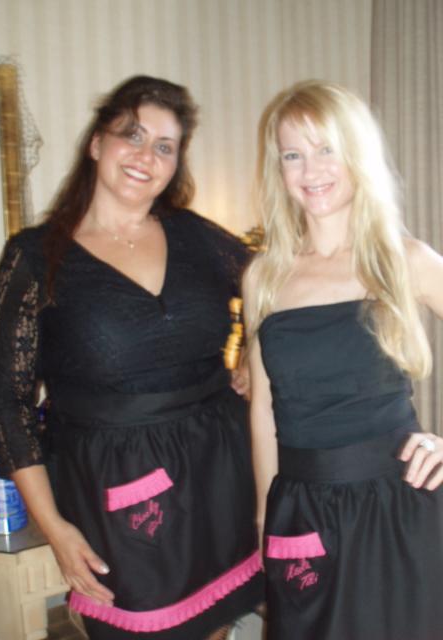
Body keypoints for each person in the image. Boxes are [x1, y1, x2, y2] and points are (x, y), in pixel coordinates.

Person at [0, 75, 263, 640]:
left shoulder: (195, 235)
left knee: (216, 621)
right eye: (131, 135)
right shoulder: (35, 258)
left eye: (164, 146)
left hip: (221, 468)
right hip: (118, 489)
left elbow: (277, 286)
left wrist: (253, 354)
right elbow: (7, 404)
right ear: (96, 142)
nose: (146, 156)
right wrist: (55, 529)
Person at [243, 79, 443, 640]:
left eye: (326, 148)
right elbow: (263, 410)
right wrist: (264, 515)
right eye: (293, 155)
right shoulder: (263, 276)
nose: (311, 169)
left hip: (396, 506)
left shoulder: (405, 259)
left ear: (358, 154)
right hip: (299, 508)